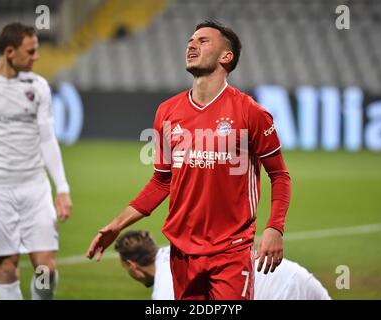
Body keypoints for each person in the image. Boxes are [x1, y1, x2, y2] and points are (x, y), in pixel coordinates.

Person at [87, 20, 291, 300]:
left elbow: (279, 176)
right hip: (182, 251)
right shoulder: (167, 112)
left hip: (231, 249)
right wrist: (117, 224)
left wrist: (274, 228)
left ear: (226, 56)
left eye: (203, 41)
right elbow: (161, 180)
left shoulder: (250, 113)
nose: (191, 44)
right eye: (191, 40)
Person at [0, 22, 72, 300]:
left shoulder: (38, 86)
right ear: (10, 52)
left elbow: (47, 139)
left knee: (46, 269)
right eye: (31, 51)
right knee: (7, 268)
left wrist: (61, 187)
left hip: (34, 188)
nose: (36, 57)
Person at [115, 230, 331, 300]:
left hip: (285, 291)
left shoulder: (167, 287)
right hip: (295, 278)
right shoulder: (178, 251)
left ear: (132, 265)